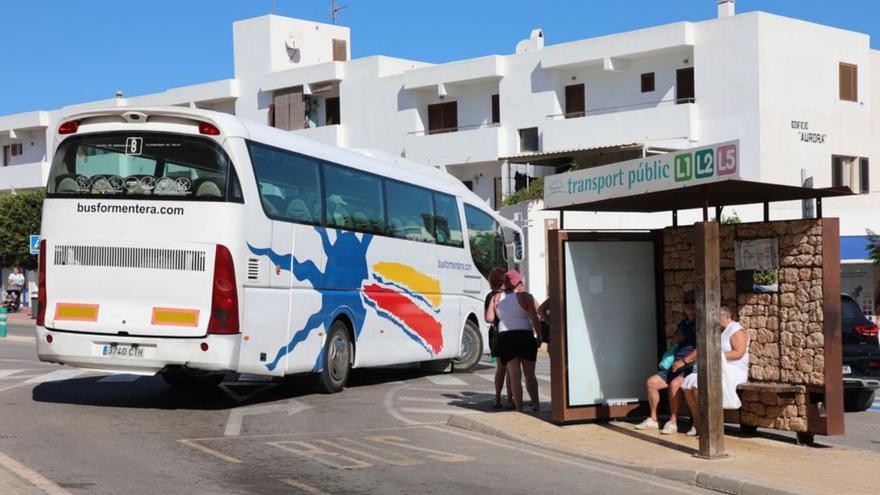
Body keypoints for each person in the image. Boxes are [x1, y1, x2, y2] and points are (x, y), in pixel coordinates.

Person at [635, 290, 697, 434]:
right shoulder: (684, 322)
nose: (688, 306)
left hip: (688, 366)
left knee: (674, 385)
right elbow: (675, 339)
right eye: (686, 303)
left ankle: (673, 421)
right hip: (674, 364)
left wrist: (683, 361)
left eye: (691, 303)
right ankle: (653, 419)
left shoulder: (700, 324)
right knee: (651, 383)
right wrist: (677, 338)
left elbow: (701, 348)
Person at [682, 306, 749, 437]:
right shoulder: (721, 330)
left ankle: (707, 424)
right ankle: (697, 421)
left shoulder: (736, 330)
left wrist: (716, 356)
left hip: (733, 368)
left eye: (719, 319)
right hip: (718, 366)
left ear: (728, 317)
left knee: (699, 385)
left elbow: (739, 353)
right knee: (688, 383)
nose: (717, 322)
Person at [485, 270, 542, 412]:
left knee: (515, 376)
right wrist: (539, 336)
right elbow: (535, 318)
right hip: (524, 335)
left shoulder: (497, 297)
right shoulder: (525, 297)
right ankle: (535, 404)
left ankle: (519, 407)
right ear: (518, 283)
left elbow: (489, 318)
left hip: (506, 338)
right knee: (530, 375)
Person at [484, 267, 511, 409]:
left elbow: (488, 318)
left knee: (501, 368)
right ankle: (511, 399)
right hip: (508, 333)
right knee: (511, 369)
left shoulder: (490, 296)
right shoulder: (508, 295)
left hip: (496, 334)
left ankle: (497, 397)